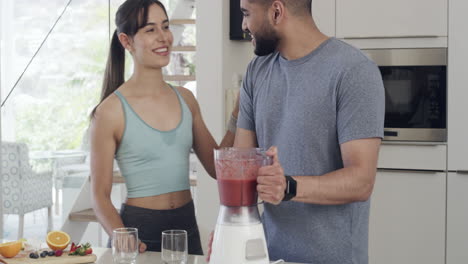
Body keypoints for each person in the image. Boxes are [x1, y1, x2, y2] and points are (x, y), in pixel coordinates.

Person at [232, 0, 385, 263]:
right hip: (269, 257)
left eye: (246, 14)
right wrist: (230, 234)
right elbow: (240, 167)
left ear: (276, 12)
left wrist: (288, 186)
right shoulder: (256, 72)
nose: (244, 25)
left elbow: (362, 181)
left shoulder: (354, 70)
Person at [89, 0, 238, 255]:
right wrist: (120, 234)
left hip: (185, 228)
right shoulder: (110, 111)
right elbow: (100, 196)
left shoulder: (186, 100)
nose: (163, 37)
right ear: (126, 41)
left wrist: (239, 113)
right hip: (140, 231)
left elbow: (217, 167)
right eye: (150, 30)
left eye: (165, 26)